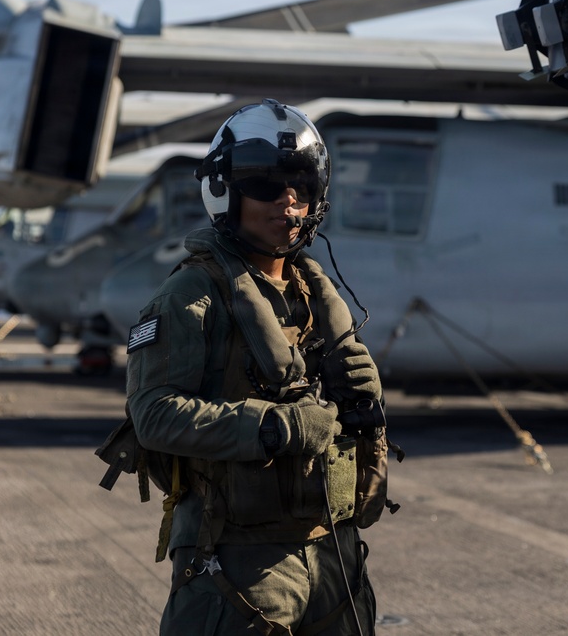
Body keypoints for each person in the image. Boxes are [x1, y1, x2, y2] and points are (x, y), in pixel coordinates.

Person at [125, 99, 387, 635]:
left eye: (301, 186)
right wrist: (273, 425)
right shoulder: (191, 295)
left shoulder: (315, 294)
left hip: (333, 552)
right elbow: (153, 414)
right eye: (266, 185)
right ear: (226, 190)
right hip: (238, 560)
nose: (286, 201)